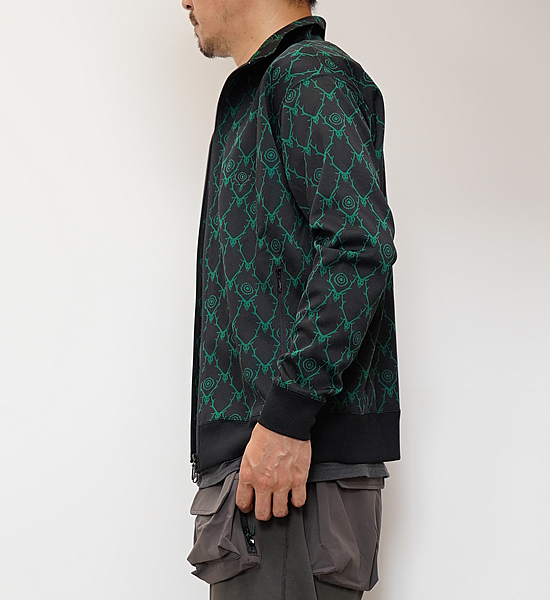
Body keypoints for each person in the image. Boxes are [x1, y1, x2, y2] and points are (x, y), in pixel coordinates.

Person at [182, 1, 401, 598]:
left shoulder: (307, 74)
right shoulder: (261, 92)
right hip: (265, 465)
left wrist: (285, 418)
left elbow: (359, 248)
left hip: (291, 468)